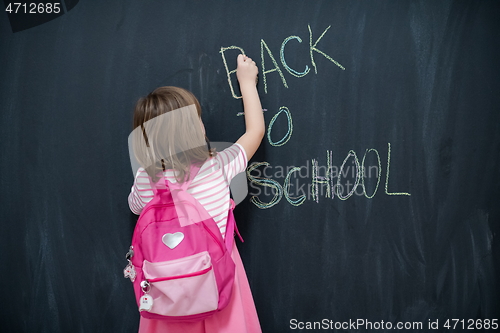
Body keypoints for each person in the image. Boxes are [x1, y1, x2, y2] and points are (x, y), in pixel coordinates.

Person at [128, 54, 264, 333]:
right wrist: (247, 82)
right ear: (194, 130)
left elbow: (134, 207)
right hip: (219, 291)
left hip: (167, 300)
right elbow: (255, 132)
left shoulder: (145, 178)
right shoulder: (216, 167)